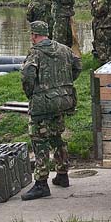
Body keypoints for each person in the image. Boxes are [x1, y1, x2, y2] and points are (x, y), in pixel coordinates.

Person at [20, 21, 82, 201]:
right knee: (56, 136)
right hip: (63, 100)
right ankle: (63, 174)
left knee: (39, 140)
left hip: (43, 103)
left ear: (34, 35)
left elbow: (28, 75)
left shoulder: (35, 53)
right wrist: (65, 84)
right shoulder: (63, 49)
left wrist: (31, 93)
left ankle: (41, 183)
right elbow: (78, 65)